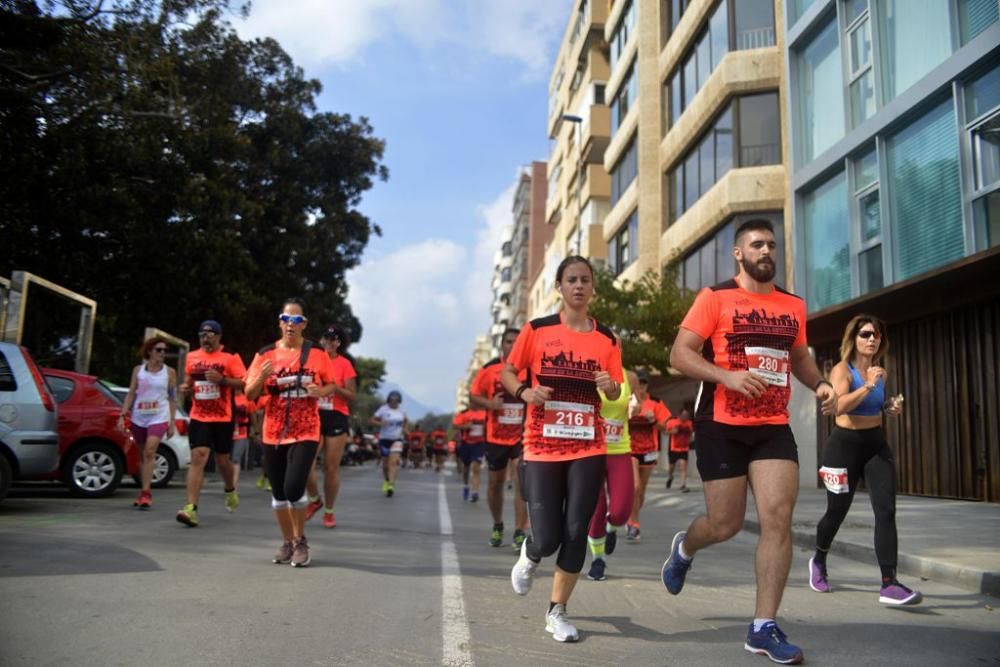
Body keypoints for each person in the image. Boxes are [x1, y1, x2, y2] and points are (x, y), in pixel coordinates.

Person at [660, 219, 836, 665]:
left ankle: (763, 627)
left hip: (772, 425)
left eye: (772, 245)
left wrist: (819, 385)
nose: (766, 251)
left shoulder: (792, 305)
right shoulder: (715, 298)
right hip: (720, 423)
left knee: (778, 518)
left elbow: (798, 357)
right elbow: (680, 354)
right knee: (725, 524)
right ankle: (686, 547)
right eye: (757, 244)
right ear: (738, 253)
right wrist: (727, 376)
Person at [503, 255, 623, 643]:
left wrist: (609, 387)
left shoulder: (607, 339)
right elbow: (508, 371)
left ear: (592, 288)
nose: (578, 286)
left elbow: (617, 389)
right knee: (549, 536)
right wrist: (525, 391)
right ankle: (531, 552)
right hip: (541, 447)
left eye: (585, 280)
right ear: (559, 286)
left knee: (576, 531)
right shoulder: (536, 330)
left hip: (589, 445)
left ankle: (557, 611)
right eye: (571, 279)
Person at [810, 315, 919, 606]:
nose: (872, 339)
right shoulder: (841, 370)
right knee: (837, 512)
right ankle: (819, 559)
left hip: (875, 445)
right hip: (843, 447)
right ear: (854, 339)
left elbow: (873, 406)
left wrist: (888, 406)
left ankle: (889, 583)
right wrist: (868, 386)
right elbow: (837, 406)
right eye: (866, 334)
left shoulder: (879, 372)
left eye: (877, 335)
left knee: (886, 511)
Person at [245, 298, 336, 568]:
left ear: (304, 324)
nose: (290, 325)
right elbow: (249, 394)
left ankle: (300, 541)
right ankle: (288, 542)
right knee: (279, 494)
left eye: (296, 320)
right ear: (280, 322)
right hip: (272, 432)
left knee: (293, 487)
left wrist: (320, 391)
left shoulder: (317, 354)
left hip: (306, 429)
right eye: (286, 319)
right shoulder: (265, 355)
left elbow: (331, 385)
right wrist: (261, 378)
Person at [177, 320, 247, 527]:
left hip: (223, 416)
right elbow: (189, 381)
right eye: (201, 335)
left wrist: (222, 380)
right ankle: (191, 509)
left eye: (209, 334)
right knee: (198, 457)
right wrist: (186, 388)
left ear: (218, 336)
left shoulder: (230, 357)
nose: (205, 338)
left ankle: (230, 489)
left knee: (222, 461)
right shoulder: (192, 357)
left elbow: (244, 383)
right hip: (199, 415)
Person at [470, 327, 528, 549]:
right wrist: (490, 404)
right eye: (509, 342)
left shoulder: (528, 369)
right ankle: (497, 524)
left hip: (522, 436)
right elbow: (474, 396)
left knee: (521, 481)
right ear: (502, 345)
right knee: (495, 483)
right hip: (495, 436)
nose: (513, 346)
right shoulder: (489, 370)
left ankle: (519, 531)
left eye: (517, 342)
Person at [586, 369, 639, 581]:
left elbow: (634, 405)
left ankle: (612, 528)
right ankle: (598, 559)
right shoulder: (588, 374)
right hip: (591, 451)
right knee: (596, 510)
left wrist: (635, 407)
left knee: (621, 511)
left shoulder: (630, 377)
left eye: (617, 347)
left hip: (620, 450)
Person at [304, 325, 358, 529]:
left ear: (339, 343)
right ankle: (315, 499)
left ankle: (329, 511)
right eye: (326, 338)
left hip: (336, 416)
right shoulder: (312, 360)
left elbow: (352, 396)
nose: (329, 342)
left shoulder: (345, 364)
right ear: (321, 340)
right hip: (313, 414)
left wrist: (336, 388)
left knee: (331, 467)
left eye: (334, 339)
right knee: (306, 462)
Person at [120, 336, 177, 509]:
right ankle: (143, 490)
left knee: (150, 451)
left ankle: (146, 493)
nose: (162, 353)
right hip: (139, 416)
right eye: (158, 350)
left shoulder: (169, 372)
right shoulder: (138, 370)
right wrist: (122, 415)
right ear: (150, 351)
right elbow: (131, 393)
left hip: (159, 416)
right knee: (141, 455)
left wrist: (172, 422)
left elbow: (173, 398)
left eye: (165, 350)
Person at [625, 370, 671, 542]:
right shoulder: (627, 401)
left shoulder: (656, 403)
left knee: (641, 491)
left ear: (647, 385)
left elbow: (665, 428)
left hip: (649, 450)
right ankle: (634, 523)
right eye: (638, 384)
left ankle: (632, 517)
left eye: (643, 384)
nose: (641, 387)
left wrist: (653, 421)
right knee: (635, 487)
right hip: (629, 449)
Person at [371, 391, 408, 497]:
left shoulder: (402, 411)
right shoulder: (383, 409)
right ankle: (387, 480)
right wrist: (380, 423)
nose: (394, 402)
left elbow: (405, 421)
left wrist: (404, 429)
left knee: (393, 462)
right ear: (389, 400)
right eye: (392, 400)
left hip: (397, 439)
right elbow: (372, 420)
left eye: (396, 400)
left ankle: (391, 485)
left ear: (399, 401)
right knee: (386, 463)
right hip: (384, 439)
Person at [454, 406, 486, 502]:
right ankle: (466, 485)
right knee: (466, 468)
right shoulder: (464, 413)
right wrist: (464, 426)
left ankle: (475, 492)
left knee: (476, 468)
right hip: (466, 444)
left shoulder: (485, 413)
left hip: (479, 444)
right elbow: (455, 425)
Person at [230, 389, 257, 493]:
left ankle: (234, 486)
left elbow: (253, 415)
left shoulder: (247, 398)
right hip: (227, 432)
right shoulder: (227, 396)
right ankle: (229, 483)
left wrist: (256, 431)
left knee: (236, 459)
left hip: (242, 432)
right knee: (225, 460)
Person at [665, 408, 694, 492]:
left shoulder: (689, 423)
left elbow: (691, 433)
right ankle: (670, 476)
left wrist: (691, 439)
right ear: (680, 415)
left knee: (683, 466)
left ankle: (682, 485)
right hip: (673, 448)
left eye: (687, 416)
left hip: (684, 448)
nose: (685, 417)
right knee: (671, 467)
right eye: (684, 415)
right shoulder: (672, 422)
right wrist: (671, 432)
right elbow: (665, 432)